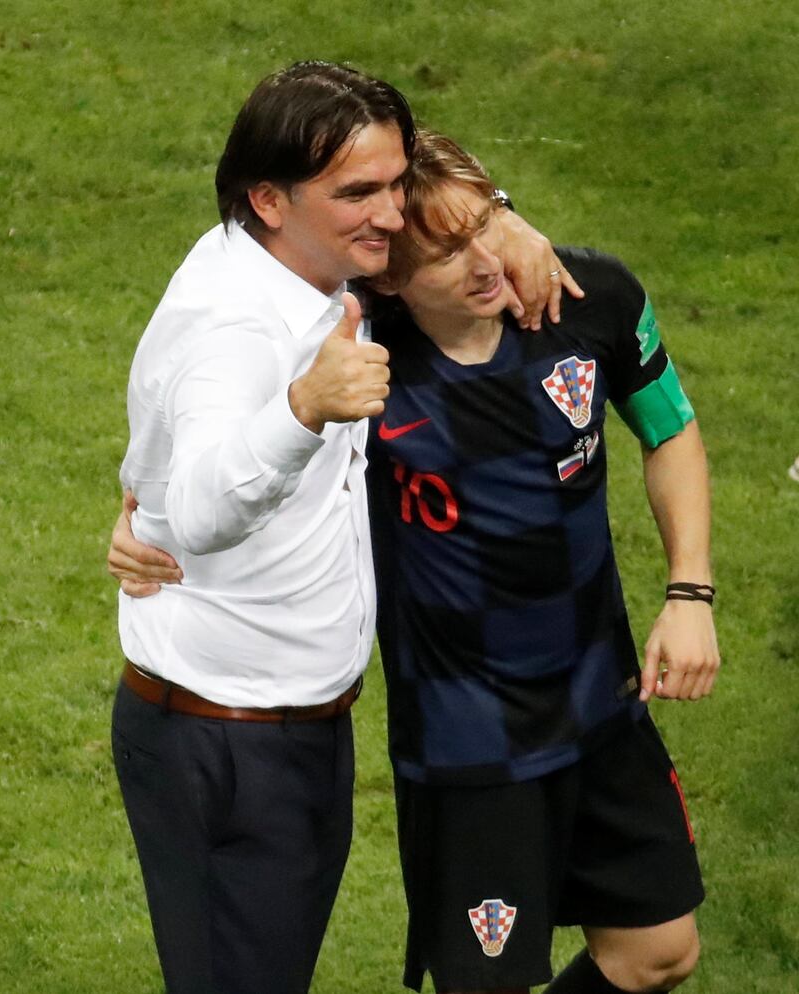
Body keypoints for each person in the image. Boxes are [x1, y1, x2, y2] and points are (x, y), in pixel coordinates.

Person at [112, 129, 719, 994]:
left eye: (485, 228)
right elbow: (202, 414)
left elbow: (672, 427)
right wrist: (142, 512)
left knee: (660, 951)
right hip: (470, 748)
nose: (484, 267)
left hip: (604, 708)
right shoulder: (361, 361)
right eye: (444, 251)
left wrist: (690, 591)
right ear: (386, 277)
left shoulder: (592, 298)